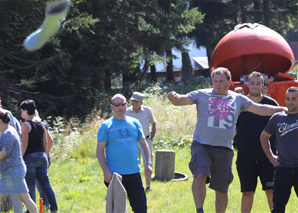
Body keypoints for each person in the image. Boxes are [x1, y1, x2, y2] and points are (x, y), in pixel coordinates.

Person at [167, 67, 287, 213]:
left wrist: (285, 109)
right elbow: (181, 100)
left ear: (229, 82)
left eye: (221, 81)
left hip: (225, 148)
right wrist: (174, 97)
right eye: (215, 81)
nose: (217, 84)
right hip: (202, 145)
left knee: (222, 188)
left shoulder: (237, 99)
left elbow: (260, 109)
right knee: (200, 174)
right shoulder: (201, 94)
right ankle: (199, 210)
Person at [97, 94, 152, 212]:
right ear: (112, 106)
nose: (120, 107)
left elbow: (144, 144)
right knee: (118, 209)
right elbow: (99, 150)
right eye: (117, 105)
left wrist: (148, 163)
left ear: (127, 105)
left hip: (134, 172)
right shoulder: (106, 126)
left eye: (122, 104)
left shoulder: (135, 123)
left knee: (141, 208)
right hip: (115, 175)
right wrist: (106, 171)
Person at [235, 71, 279, 213]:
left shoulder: (271, 104)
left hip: (269, 157)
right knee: (247, 192)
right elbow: (232, 128)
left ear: (262, 85)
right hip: (245, 156)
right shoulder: (240, 104)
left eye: (258, 83)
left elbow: (280, 128)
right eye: (252, 83)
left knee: (271, 191)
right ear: (248, 84)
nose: (255, 86)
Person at [260, 86, 298, 213]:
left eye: (294, 99)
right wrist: (271, 156)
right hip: (283, 168)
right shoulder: (277, 117)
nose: (290, 101)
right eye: (288, 99)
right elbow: (264, 137)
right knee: (277, 207)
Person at [20, 99, 58, 212]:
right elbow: (46, 142)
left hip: (30, 158)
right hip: (42, 156)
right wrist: (44, 156)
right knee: (46, 184)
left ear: (26, 110)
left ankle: (31, 209)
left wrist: (20, 158)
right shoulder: (41, 124)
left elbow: (24, 144)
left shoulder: (26, 125)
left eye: (22, 111)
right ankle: (54, 208)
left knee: (30, 185)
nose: (21, 113)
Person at [0, 109, 38, 213]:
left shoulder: (9, 133)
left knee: (25, 198)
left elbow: (4, 152)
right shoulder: (5, 132)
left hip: (13, 171)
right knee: (25, 198)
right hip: (10, 171)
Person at [126, 92, 156, 191]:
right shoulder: (127, 112)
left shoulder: (147, 111)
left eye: (136, 101)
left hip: (146, 140)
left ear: (141, 102)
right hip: (132, 141)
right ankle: (137, 186)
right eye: (132, 100)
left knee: (148, 162)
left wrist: (151, 138)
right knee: (134, 163)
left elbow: (153, 124)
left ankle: (148, 186)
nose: (133, 102)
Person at [33, 110, 53, 210]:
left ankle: (45, 206)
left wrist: (45, 154)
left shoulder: (41, 125)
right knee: (41, 184)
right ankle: (46, 206)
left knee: (41, 185)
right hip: (42, 157)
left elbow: (50, 140)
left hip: (42, 157)